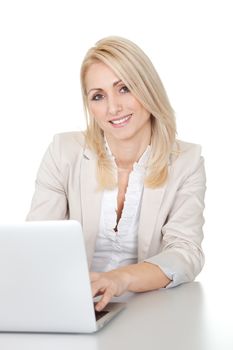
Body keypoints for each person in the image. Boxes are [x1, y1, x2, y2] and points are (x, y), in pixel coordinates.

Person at [26, 36, 206, 311]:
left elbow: (185, 253)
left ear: (147, 88)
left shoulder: (186, 161)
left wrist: (120, 279)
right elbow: (37, 244)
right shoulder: (63, 152)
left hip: (149, 310)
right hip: (72, 306)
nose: (113, 108)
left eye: (124, 89)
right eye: (98, 96)